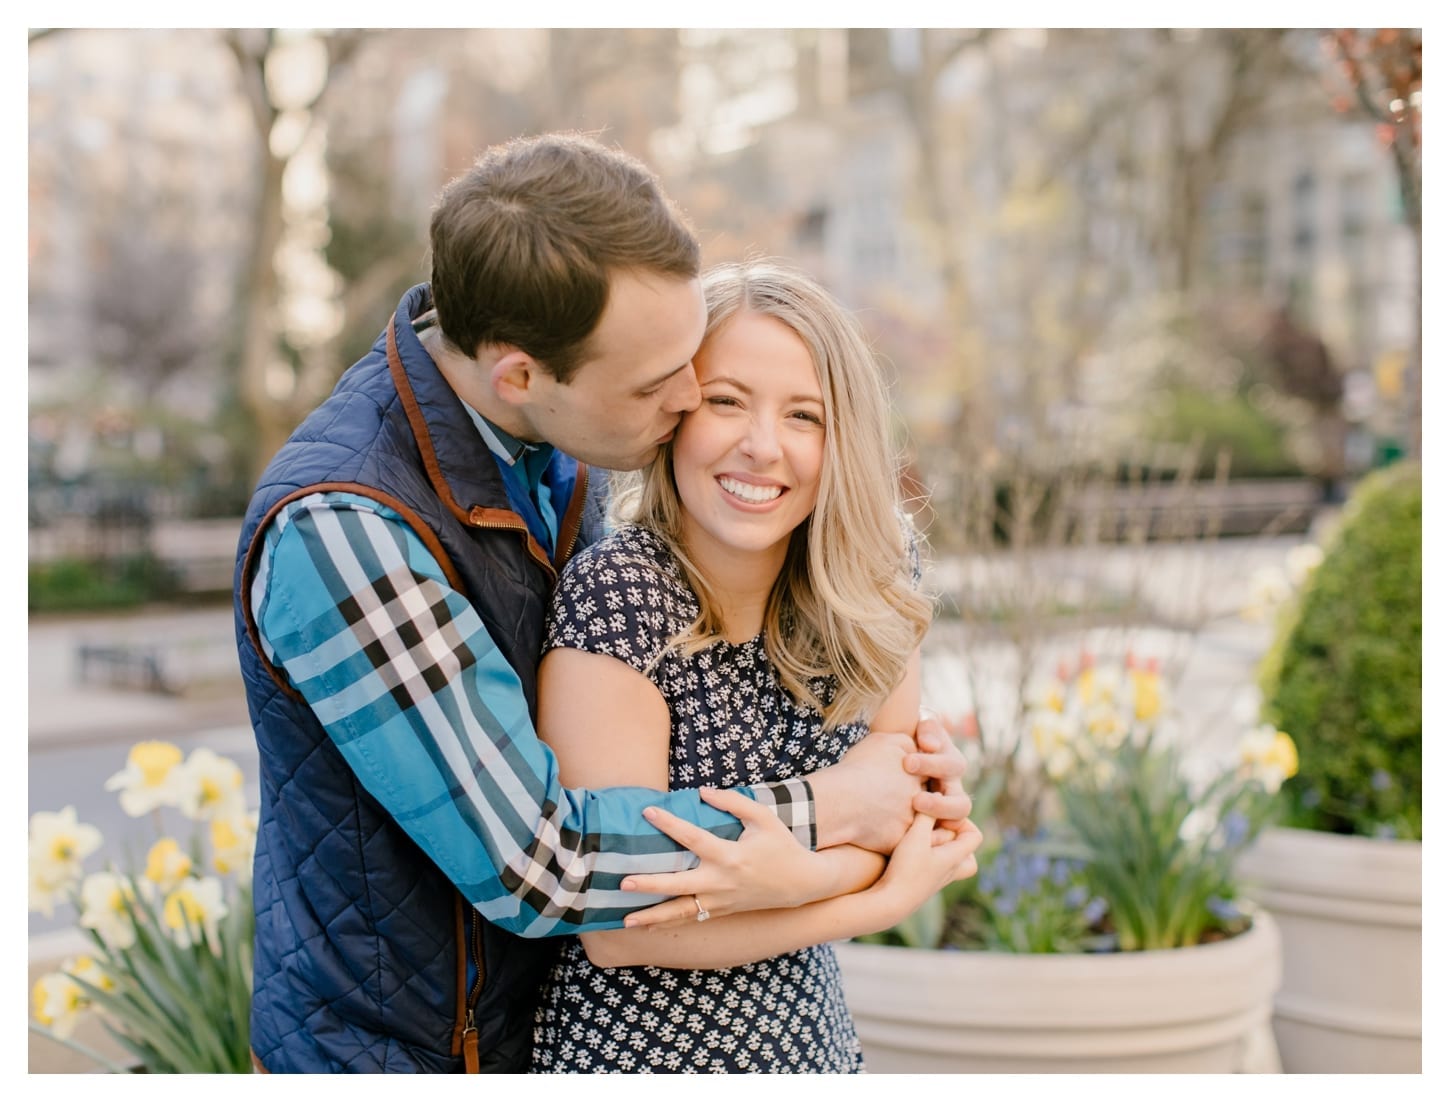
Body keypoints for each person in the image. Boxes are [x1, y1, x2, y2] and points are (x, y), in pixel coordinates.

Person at [233, 133, 973, 1073]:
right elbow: (546, 866)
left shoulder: (565, 433)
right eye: (662, 380)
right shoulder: (345, 532)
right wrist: (833, 816)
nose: (693, 392)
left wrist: (872, 820)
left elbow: (897, 787)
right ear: (521, 375)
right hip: (403, 1059)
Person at [528, 260, 980, 1073]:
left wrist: (786, 876)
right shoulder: (622, 594)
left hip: (813, 1048)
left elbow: (905, 819)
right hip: (639, 1058)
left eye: (804, 415)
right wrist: (869, 897)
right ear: (675, 413)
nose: (762, 447)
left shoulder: (876, 575)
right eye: (726, 401)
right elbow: (618, 931)